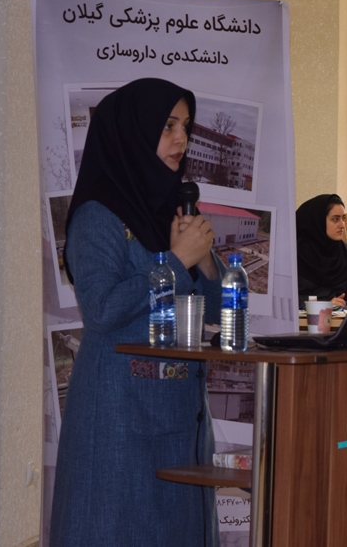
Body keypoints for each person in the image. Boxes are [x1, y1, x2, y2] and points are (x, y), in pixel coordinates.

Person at [50, 79, 221, 546]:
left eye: (186, 127)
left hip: (176, 413)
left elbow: (211, 308)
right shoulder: (97, 215)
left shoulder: (170, 210)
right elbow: (102, 308)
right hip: (119, 415)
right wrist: (177, 261)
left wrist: (204, 261)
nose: (181, 139)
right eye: (168, 126)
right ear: (133, 132)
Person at [296, 193, 347, 306]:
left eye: (343, 219)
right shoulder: (294, 254)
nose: (342, 225)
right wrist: (323, 303)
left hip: (338, 317)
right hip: (302, 317)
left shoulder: (345, 253)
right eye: (335, 219)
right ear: (318, 221)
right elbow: (283, 298)